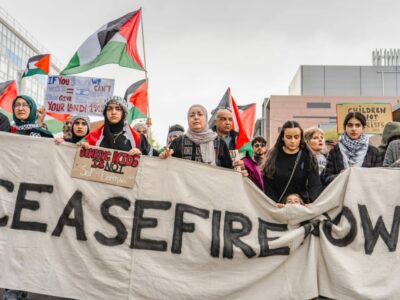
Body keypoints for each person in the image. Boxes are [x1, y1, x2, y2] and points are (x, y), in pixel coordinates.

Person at [262, 120, 322, 204]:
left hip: (302, 205)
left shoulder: (308, 156)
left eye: (296, 137)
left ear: (301, 138)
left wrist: (311, 203)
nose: (293, 141)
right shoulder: (272, 157)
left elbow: (315, 184)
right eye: (289, 137)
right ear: (283, 137)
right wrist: (274, 203)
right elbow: (267, 184)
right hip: (277, 206)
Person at [160, 104, 233, 169]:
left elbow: (228, 169)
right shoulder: (178, 142)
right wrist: (165, 157)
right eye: (192, 115)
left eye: (200, 114)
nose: (196, 117)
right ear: (188, 119)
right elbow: (169, 168)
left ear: (206, 118)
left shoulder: (219, 142)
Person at [321, 112, 381, 186]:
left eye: (358, 125)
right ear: (344, 127)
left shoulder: (373, 152)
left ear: (363, 128)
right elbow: (326, 178)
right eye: (350, 125)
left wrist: (364, 176)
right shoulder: (335, 151)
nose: (353, 129)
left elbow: (379, 177)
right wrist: (339, 177)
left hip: (365, 194)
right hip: (342, 194)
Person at [81, 96, 153, 156]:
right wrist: (81, 148)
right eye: (109, 109)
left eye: (118, 109)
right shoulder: (92, 137)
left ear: (123, 113)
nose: (113, 112)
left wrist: (141, 154)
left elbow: (154, 159)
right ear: (105, 113)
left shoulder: (139, 138)